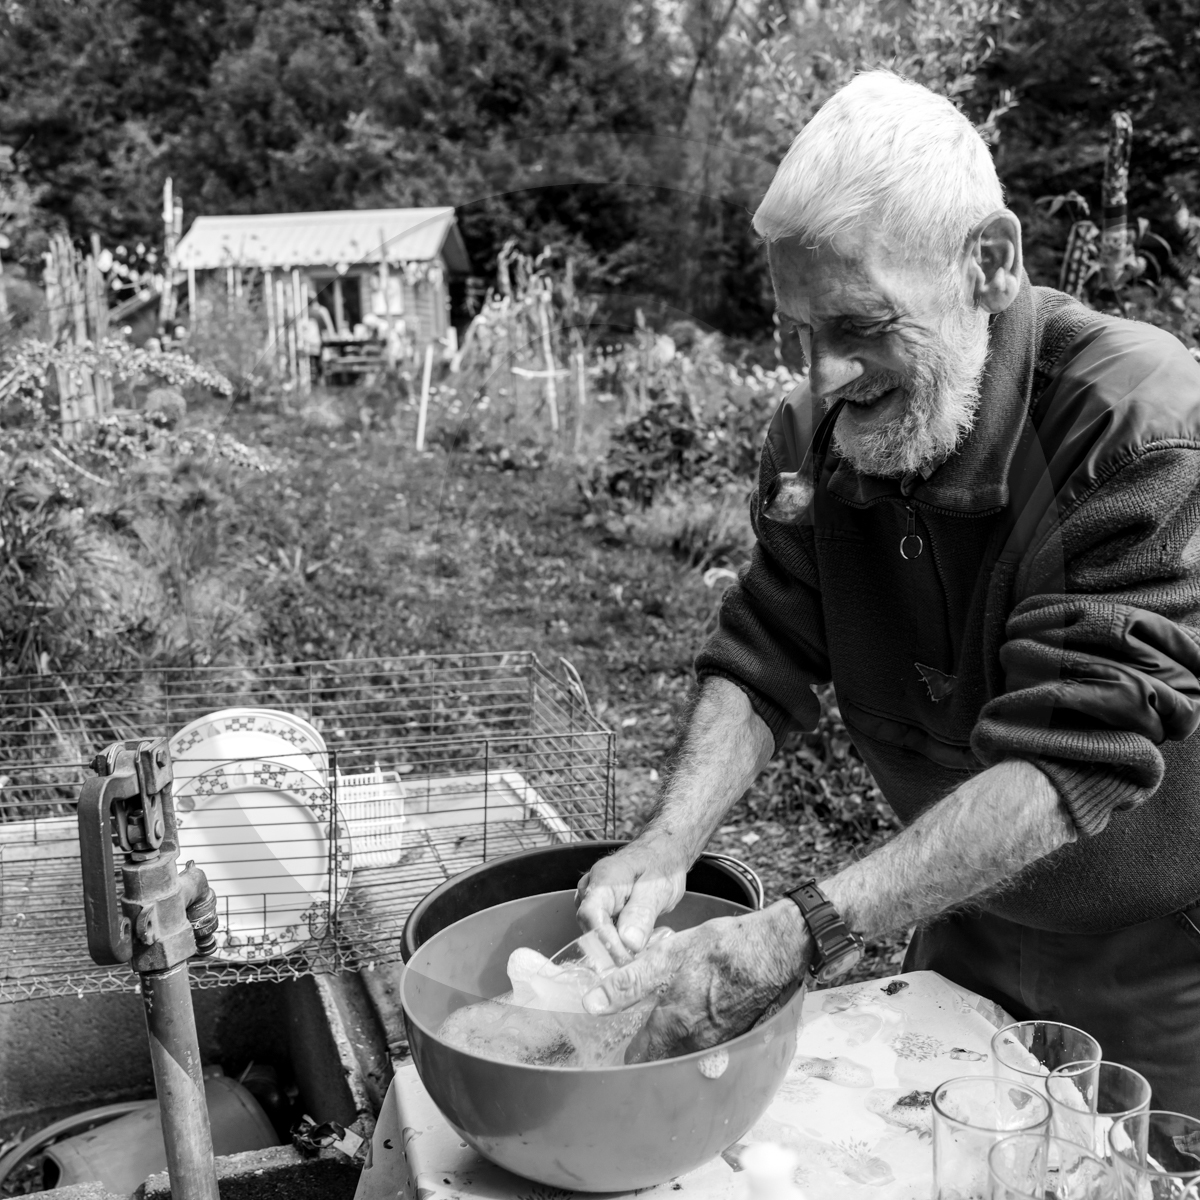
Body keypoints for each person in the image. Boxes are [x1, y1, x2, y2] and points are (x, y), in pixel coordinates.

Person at [575, 70, 1200, 1115]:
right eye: (795, 332)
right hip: (958, 909)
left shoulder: (1141, 428)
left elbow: (1072, 754)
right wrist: (666, 841)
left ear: (988, 264)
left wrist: (803, 928)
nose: (822, 378)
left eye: (861, 325)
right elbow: (768, 649)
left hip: (1162, 962)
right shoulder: (817, 439)